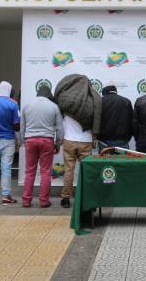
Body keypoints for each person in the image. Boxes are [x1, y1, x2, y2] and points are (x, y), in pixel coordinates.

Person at [54, 74, 101, 208]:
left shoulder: (65, 100)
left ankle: (65, 198)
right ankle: (86, 197)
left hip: (69, 140)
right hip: (86, 141)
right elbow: (96, 120)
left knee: (69, 170)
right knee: (86, 171)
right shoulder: (92, 101)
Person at [21, 84, 63, 208]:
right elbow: (60, 128)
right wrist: (58, 142)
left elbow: (22, 126)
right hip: (47, 141)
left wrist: (24, 141)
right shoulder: (54, 106)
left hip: (30, 140)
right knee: (45, 172)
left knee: (29, 171)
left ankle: (26, 200)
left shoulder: (27, 106)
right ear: (48, 95)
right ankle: (44, 201)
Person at [98, 83, 134, 149]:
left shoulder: (99, 101)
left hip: (104, 140)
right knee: (122, 159)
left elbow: (96, 120)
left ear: (104, 92)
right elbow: (132, 121)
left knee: (105, 159)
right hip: (122, 140)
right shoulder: (126, 101)